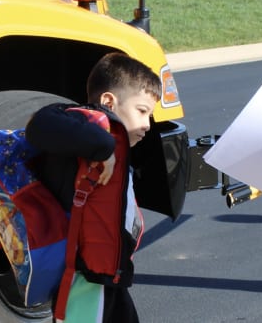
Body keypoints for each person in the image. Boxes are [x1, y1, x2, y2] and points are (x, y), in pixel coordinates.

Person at [24, 52, 160, 323]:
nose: (147, 124)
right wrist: (103, 147)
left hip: (108, 274)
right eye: (142, 111)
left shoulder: (114, 146)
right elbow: (40, 123)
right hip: (84, 275)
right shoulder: (84, 130)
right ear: (109, 101)